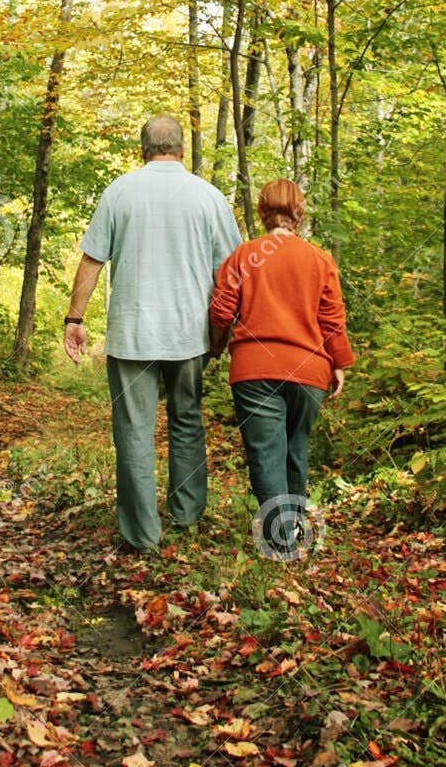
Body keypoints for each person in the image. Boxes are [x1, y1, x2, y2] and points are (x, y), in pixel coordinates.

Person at [63, 115, 242, 550]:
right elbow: (233, 271)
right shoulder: (209, 197)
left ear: (142, 149)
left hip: (132, 333)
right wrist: (228, 331)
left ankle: (142, 535)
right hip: (190, 334)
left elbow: (92, 261)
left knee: (134, 429)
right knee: (187, 421)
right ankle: (185, 515)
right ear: (182, 149)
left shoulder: (119, 191)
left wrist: (75, 319)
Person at [209, 178, 354, 559]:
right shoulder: (319, 259)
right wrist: (339, 362)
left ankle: (282, 544)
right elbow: (332, 319)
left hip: (255, 371)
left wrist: (217, 345)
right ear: (299, 213)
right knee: (295, 448)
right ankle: (289, 533)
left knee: (265, 453)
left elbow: (222, 309)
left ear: (261, 212)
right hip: (309, 371)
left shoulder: (244, 256)